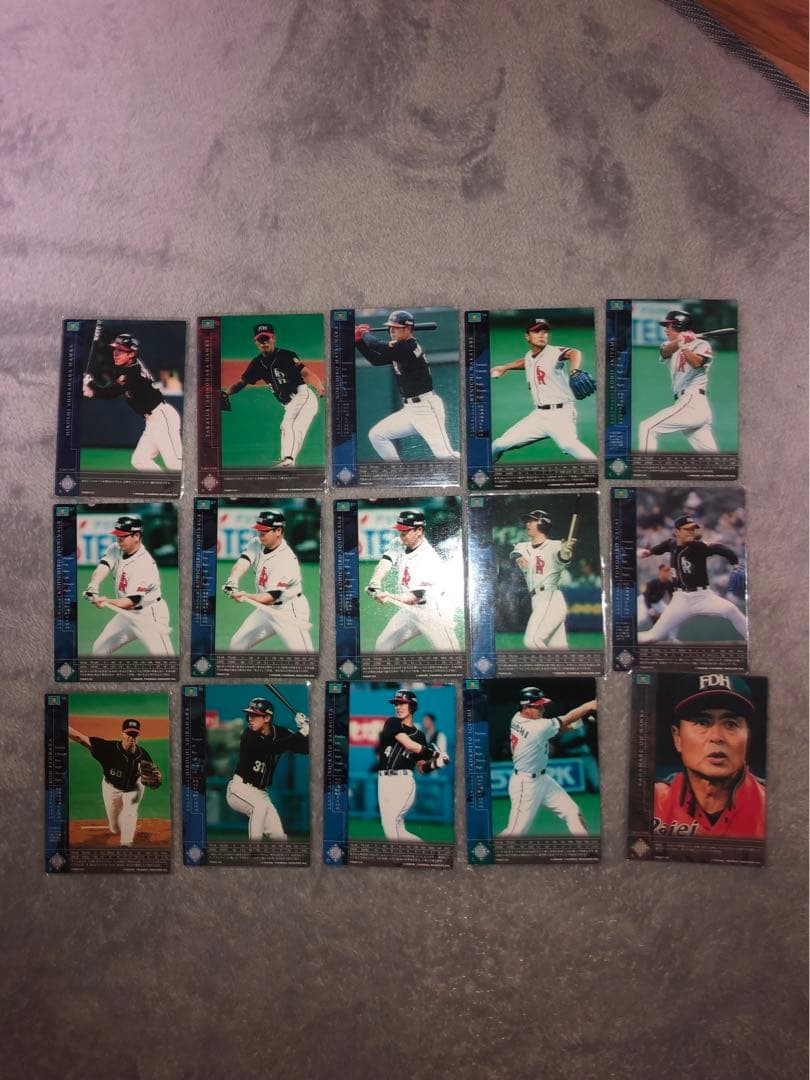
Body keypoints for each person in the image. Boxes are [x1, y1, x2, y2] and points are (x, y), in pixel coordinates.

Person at [653, 674, 765, 839]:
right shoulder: (651, 801)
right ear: (677, 738)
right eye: (702, 722)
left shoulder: (774, 805)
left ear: (748, 736)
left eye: (730, 724)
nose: (717, 737)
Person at [354, 309, 460, 461]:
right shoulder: (399, 348)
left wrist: (364, 333)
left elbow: (375, 345)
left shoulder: (407, 347)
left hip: (427, 408)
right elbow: (375, 360)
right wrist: (358, 342)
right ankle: (398, 471)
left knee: (445, 455)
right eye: (390, 327)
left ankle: (475, 465)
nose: (391, 330)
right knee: (377, 435)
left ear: (408, 329)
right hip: (410, 410)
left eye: (396, 327)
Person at [489, 317, 596, 463]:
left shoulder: (554, 352)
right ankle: (481, 470)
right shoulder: (529, 356)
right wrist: (505, 367)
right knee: (498, 445)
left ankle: (599, 469)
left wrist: (574, 371)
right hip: (539, 416)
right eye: (536, 331)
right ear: (527, 336)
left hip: (561, 414)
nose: (542, 335)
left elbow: (574, 353)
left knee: (569, 445)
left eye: (544, 332)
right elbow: (526, 361)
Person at [221, 321, 324, 467]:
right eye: (260, 339)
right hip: (289, 404)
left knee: (288, 424)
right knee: (292, 428)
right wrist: (226, 393)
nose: (264, 342)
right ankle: (287, 462)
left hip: (302, 396)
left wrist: (319, 386)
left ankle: (288, 460)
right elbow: (242, 382)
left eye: (267, 338)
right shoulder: (257, 364)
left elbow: (306, 373)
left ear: (273, 338)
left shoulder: (287, 355)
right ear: (256, 342)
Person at [498, 686, 597, 837]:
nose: (542, 709)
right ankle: (489, 850)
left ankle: (586, 847)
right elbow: (566, 719)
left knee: (572, 812)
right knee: (514, 833)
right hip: (526, 784)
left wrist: (584, 721)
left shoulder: (518, 717)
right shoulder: (535, 727)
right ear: (526, 707)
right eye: (538, 706)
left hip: (543, 779)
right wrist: (589, 706)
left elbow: (559, 728)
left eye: (542, 705)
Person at [637, 515, 747, 643]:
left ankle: (753, 639)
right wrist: (649, 552)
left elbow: (721, 549)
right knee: (653, 636)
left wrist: (735, 563)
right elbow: (660, 548)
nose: (691, 532)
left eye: (693, 529)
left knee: (731, 610)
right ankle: (624, 639)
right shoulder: (671, 544)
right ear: (677, 532)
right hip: (681, 600)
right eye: (687, 529)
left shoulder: (699, 547)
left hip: (703, 596)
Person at [82, 331, 182, 472]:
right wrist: (92, 391)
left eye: (121, 350)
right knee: (140, 460)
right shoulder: (128, 366)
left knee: (175, 463)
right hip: (153, 420)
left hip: (162, 417)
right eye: (115, 349)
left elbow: (111, 392)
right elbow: (111, 384)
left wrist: (91, 385)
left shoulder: (132, 372)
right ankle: (165, 484)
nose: (116, 353)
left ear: (131, 354)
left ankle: (192, 479)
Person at [365, 509, 461, 653]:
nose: (401, 535)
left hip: (433, 612)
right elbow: (386, 561)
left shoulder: (428, 558)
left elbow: (415, 596)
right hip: (410, 611)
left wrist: (390, 596)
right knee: (382, 646)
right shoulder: (399, 543)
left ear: (419, 531)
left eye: (406, 531)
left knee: (452, 657)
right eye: (400, 530)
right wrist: (375, 582)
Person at [223, 509, 315, 653]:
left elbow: (271, 597)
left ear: (278, 531)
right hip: (266, 610)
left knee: (306, 659)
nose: (260, 534)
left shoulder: (285, 560)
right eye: (258, 530)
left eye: (264, 531)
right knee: (237, 644)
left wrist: (246, 596)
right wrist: (233, 580)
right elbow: (243, 562)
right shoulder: (257, 543)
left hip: (289, 611)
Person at [83, 515, 174, 656]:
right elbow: (104, 566)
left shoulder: (144, 565)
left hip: (149, 615)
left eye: (123, 536)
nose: (118, 540)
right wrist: (93, 585)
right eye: (117, 536)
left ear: (136, 536)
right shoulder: (116, 548)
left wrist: (107, 601)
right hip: (127, 615)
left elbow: (132, 601)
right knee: (99, 650)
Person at [68, 717, 162, 846]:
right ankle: (116, 827)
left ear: (138, 736)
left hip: (134, 787)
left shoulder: (143, 755)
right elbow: (80, 738)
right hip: (111, 788)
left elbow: (154, 782)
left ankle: (126, 844)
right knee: (115, 828)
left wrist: (157, 781)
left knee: (130, 811)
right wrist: (61, 725)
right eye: (129, 733)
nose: (131, 737)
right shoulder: (108, 749)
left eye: (134, 734)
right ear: (122, 734)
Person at [225, 697, 309, 840]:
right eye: (249, 714)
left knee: (279, 837)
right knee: (259, 807)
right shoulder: (249, 735)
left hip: (261, 793)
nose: (250, 718)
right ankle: (254, 851)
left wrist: (306, 730)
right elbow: (272, 748)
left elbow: (305, 749)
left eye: (255, 715)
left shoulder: (281, 733)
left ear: (267, 718)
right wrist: (301, 734)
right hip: (239, 789)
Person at [638, 309, 717, 452]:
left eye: (669, 326)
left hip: (693, 402)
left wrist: (684, 346)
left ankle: (645, 467)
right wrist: (680, 341)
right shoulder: (668, 345)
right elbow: (665, 352)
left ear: (678, 326)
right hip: (686, 403)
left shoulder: (702, 345)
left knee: (647, 427)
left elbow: (697, 363)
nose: (665, 330)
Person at [375, 690, 449, 842]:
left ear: (412, 706)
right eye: (396, 703)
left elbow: (421, 768)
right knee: (397, 829)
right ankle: (427, 853)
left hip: (403, 782)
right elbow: (410, 745)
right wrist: (436, 755)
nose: (398, 707)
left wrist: (437, 764)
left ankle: (398, 856)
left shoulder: (420, 735)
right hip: (383, 781)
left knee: (390, 824)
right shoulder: (392, 722)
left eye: (402, 703)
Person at [510, 509, 575, 650]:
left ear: (542, 523)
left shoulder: (556, 545)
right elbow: (515, 554)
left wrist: (566, 551)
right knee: (559, 650)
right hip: (538, 600)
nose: (527, 524)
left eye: (532, 521)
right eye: (527, 521)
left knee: (532, 641)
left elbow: (563, 557)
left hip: (550, 597)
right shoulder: (522, 546)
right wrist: (518, 558)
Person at [636, 562, 678, 640]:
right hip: (644, 602)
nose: (668, 573)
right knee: (641, 619)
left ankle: (672, 638)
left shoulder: (669, 583)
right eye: (665, 570)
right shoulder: (652, 583)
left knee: (673, 617)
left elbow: (672, 597)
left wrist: (671, 609)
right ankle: (629, 636)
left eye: (669, 571)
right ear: (660, 571)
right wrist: (650, 609)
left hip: (657, 602)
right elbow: (647, 597)